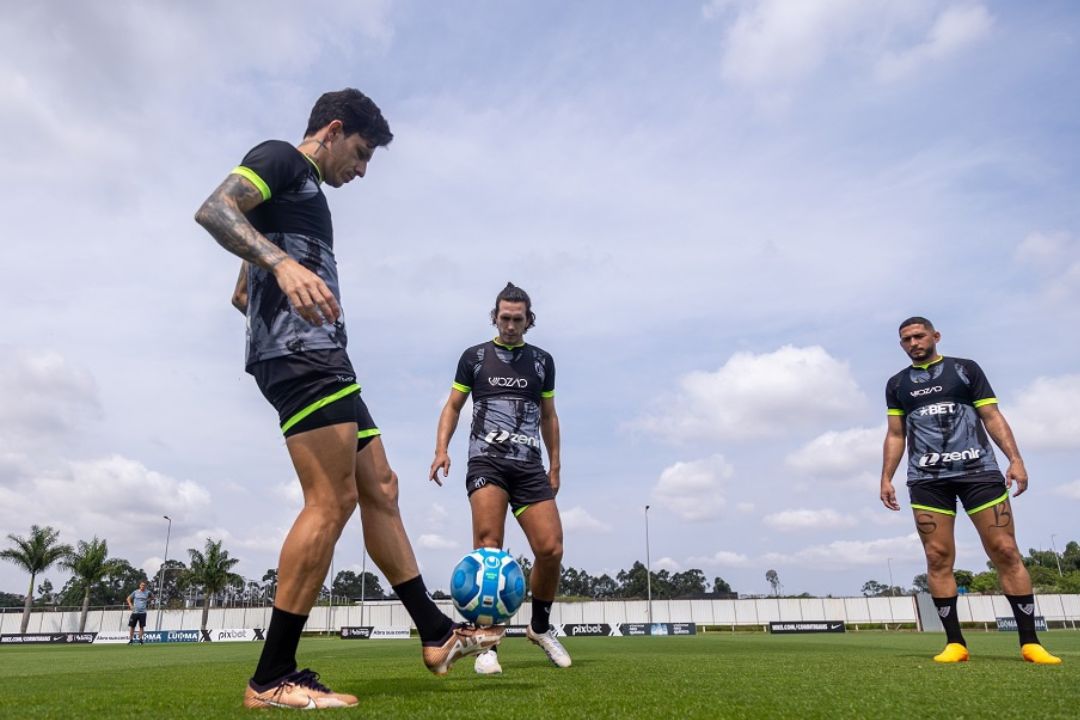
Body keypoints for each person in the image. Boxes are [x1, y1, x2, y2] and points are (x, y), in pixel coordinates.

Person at [195, 88, 502, 709]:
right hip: (302, 357)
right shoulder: (282, 157)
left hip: (325, 357)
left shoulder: (299, 195)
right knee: (331, 501)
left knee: (380, 487)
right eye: (360, 154)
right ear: (333, 131)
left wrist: (266, 275)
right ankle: (271, 676)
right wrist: (283, 268)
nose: (361, 171)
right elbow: (216, 210)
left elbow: (240, 290)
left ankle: (437, 635)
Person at [879, 316, 1060, 664]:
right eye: (906, 339)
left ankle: (1030, 642)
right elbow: (896, 434)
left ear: (935, 336)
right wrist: (886, 477)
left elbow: (991, 415)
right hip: (927, 479)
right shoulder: (897, 384)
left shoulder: (965, 370)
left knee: (1005, 550)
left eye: (918, 336)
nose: (913, 343)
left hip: (979, 471)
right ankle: (955, 644)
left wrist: (1016, 459)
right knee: (936, 557)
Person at [430, 282, 571, 675]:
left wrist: (555, 466)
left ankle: (539, 627)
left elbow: (549, 416)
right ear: (495, 316)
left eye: (518, 319)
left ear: (529, 320)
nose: (511, 325)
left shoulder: (543, 361)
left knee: (551, 549)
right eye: (505, 318)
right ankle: (487, 646)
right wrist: (442, 449)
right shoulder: (474, 357)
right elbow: (453, 406)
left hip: (528, 466)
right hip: (487, 463)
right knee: (489, 549)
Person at [126, 580, 153, 644]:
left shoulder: (148, 592)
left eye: (144, 585)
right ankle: (131, 640)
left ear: (145, 586)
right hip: (135, 612)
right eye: (142, 585)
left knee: (141, 627)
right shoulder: (135, 592)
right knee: (132, 626)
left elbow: (152, 597)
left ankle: (140, 640)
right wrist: (130, 605)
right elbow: (128, 598)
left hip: (143, 612)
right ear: (139, 586)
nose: (143, 586)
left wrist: (148, 600)